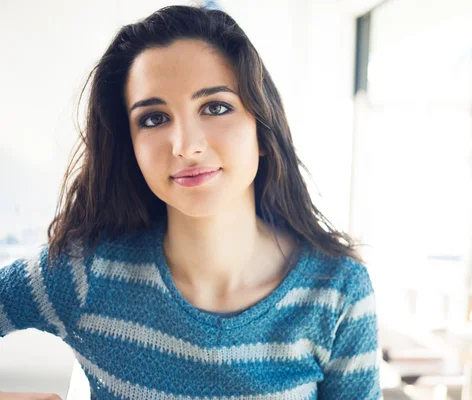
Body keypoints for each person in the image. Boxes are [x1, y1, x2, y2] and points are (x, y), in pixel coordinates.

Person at [0, 5, 382, 399]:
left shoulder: (337, 291)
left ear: (263, 130)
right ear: (129, 146)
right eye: (153, 119)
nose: (186, 146)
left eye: (215, 107)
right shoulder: (86, 273)